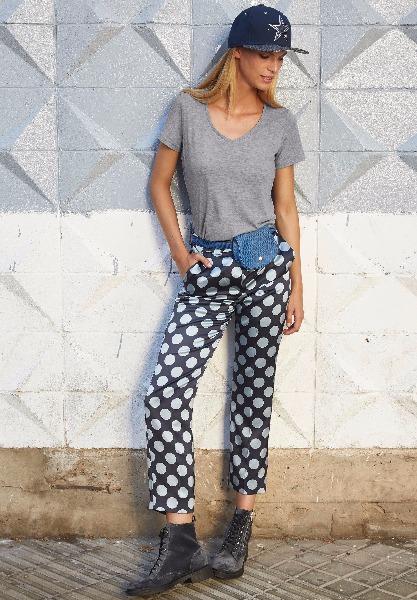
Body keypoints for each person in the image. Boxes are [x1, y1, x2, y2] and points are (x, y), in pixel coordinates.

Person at [126, 4, 308, 597]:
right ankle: (179, 538)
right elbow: (159, 185)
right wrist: (183, 257)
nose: (274, 65)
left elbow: (286, 209)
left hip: (266, 269)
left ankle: (239, 530)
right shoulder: (186, 110)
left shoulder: (280, 124)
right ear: (237, 53)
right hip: (206, 272)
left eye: (281, 56)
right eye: (265, 54)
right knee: (165, 391)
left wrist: (297, 285)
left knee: (253, 396)